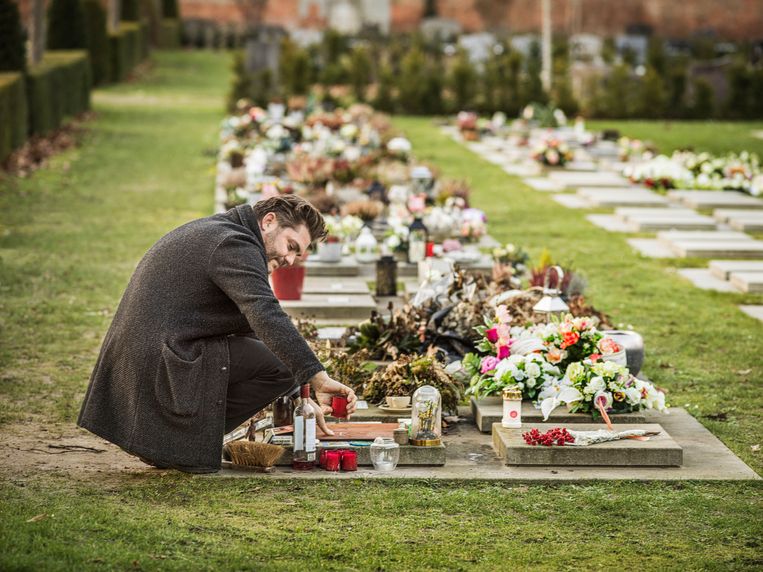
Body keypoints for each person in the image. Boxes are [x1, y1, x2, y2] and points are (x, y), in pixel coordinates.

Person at [78, 195, 357, 473]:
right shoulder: (234, 244)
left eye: (298, 254)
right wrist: (316, 377)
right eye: (291, 246)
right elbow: (265, 313)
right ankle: (177, 444)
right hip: (158, 364)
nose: (290, 259)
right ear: (268, 221)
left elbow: (255, 327)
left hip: (149, 361)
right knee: (283, 367)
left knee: (279, 363)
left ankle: (174, 442)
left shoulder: (224, 233)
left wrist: (302, 394)